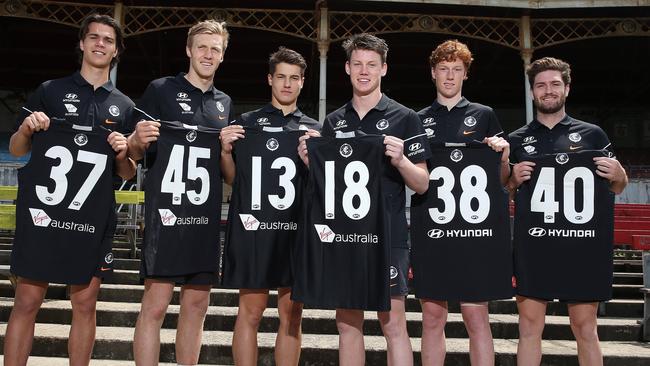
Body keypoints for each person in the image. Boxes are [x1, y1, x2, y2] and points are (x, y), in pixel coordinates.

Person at [3, 13, 135, 366]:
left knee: (85, 305)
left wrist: (124, 150)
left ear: (116, 50)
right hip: (43, 215)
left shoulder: (124, 106)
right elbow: (17, 150)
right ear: (81, 43)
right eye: (93, 37)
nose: (99, 44)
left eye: (108, 40)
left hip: (91, 220)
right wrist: (28, 129)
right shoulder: (50, 91)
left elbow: (125, 171)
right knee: (26, 303)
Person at [299, 33, 430, 366]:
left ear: (384, 69)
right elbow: (325, 183)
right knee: (347, 322)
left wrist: (400, 161)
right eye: (357, 64)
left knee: (394, 322)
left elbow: (424, 183)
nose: (364, 71)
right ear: (346, 68)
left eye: (372, 65)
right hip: (345, 235)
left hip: (388, 235)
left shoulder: (405, 117)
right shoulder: (333, 121)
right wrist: (308, 160)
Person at [507, 57, 628, 366]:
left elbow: (617, 186)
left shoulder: (593, 135)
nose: (548, 91)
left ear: (567, 88)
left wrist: (618, 173)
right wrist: (511, 178)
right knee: (529, 327)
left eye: (555, 84)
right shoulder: (517, 140)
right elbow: (507, 188)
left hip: (581, 245)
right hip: (536, 244)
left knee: (585, 327)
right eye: (541, 85)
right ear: (533, 91)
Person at [127, 20, 233, 366]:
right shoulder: (161, 90)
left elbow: (225, 169)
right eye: (202, 47)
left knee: (197, 306)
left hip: (203, 219)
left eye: (215, 49)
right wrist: (136, 141)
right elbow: (133, 152)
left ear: (222, 55)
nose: (208, 54)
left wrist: (228, 152)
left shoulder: (224, 104)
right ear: (189, 50)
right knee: (154, 305)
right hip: (166, 216)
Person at [218, 47, 320, 366]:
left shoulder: (313, 129)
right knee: (250, 312)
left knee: (292, 315)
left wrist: (316, 156)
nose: (287, 84)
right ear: (270, 80)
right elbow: (234, 179)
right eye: (281, 77)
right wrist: (223, 153)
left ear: (303, 82)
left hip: (295, 233)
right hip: (255, 231)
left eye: (294, 78)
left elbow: (322, 188)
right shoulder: (247, 123)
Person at [413, 39, 511, 366]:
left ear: (466, 74)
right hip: (433, 232)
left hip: (475, 235)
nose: (450, 76)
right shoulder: (417, 119)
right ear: (433, 73)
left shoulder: (484, 116)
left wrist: (502, 153)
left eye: (457, 70)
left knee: (476, 317)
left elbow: (501, 179)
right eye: (444, 69)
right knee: (431, 317)